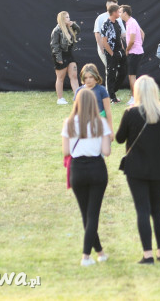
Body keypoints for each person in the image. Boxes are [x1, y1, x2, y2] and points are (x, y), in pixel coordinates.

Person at [115, 77, 160, 264]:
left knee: (142, 210)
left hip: (136, 169)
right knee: (158, 210)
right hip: (159, 168)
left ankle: (148, 254)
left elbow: (119, 138)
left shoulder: (130, 114)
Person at [63, 87, 112, 266]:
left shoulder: (68, 122)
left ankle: (100, 252)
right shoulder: (101, 123)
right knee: (92, 215)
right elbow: (106, 152)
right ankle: (86, 256)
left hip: (77, 170)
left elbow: (66, 150)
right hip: (97, 168)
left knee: (87, 215)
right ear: (94, 103)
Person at [97, 4, 125, 104]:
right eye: (118, 11)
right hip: (112, 53)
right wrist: (112, 54)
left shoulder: (117, 22)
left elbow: (119, 38)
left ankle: (113, 91)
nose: (120, 13)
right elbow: (104, 41)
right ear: (114, 12)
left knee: (123, 71)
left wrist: (122, 50)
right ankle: (112, 97)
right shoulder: (106, 24)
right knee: (111, 74)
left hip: (120, 52)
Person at [51, 11, 80, 105]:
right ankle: (60, 98)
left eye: (69, 17)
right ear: (62, 19)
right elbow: (54, 45)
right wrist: (58, 58)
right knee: (60, 78)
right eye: (67, 17)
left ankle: (78, 97)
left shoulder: (69, 27)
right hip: (60, 55)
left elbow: (78, 31)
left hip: (69, 54)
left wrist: (74, 24)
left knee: (74, 76)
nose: (69, 19)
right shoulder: (57, 30)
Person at [122, 5, 145, 102]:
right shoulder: (131, 21)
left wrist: (127, 50)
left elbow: (131, 41)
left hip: (134, 53)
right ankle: (135, 97)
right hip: (136, 51)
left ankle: (134, 98)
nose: (118, 14)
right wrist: (139, 44)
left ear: (125, 13)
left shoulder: (131, 23)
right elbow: (142, 33)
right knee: (132, 76)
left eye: (120, 12)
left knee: (132, 76)